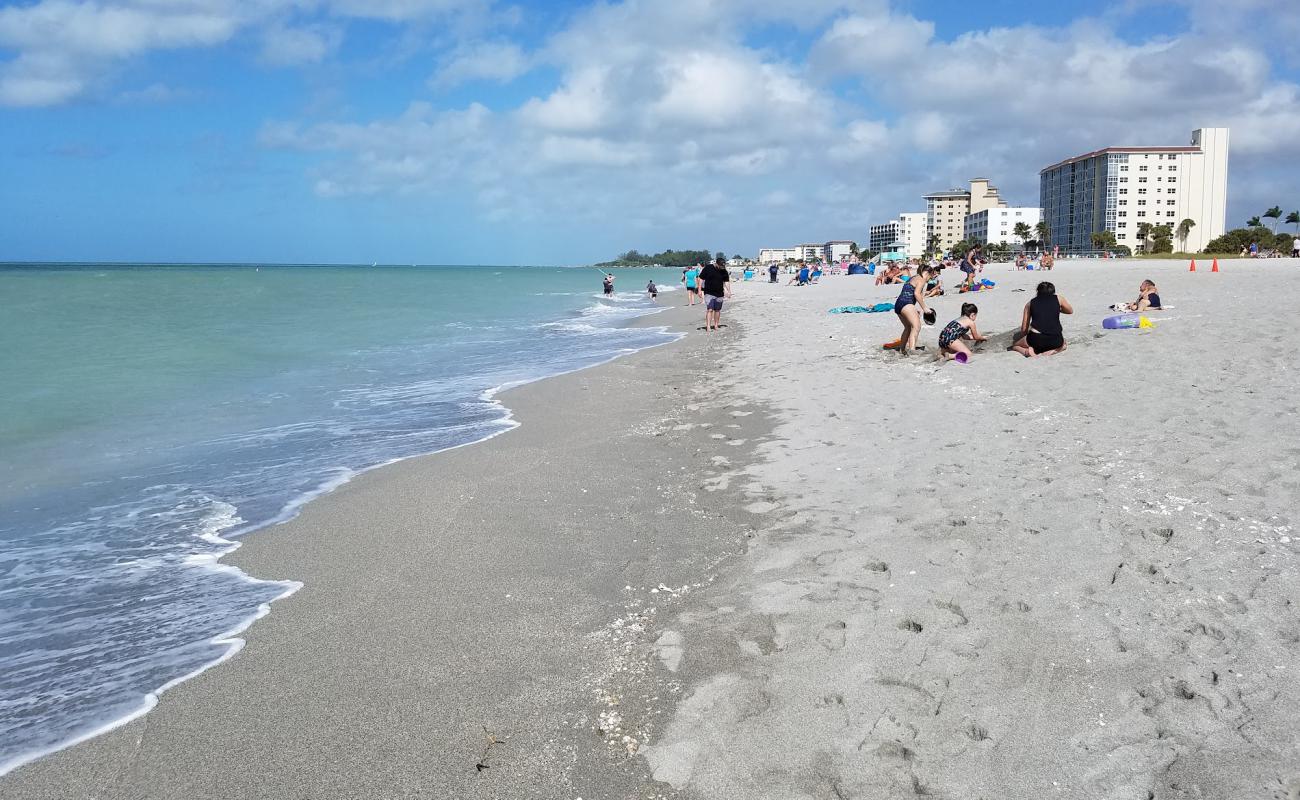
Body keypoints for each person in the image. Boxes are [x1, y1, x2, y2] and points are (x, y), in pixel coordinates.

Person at [1012, 281, 1074, 357]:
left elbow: (1024, 328)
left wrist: (1023, 338)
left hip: (1036, 339)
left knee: (1015, 346)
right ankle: (1051, 352)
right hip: (1055, 339)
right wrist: (1058, 309)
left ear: (1038, 291)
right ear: (1053, 291)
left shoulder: (1030, 303)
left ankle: (1028, 352)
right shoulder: (1059, 299)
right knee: (1063, 344)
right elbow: (1070, 311)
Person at [893, 264, 936, 356]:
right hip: (906, 303)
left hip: (899, 304)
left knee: (908, 328)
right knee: (916, 327)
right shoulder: (921, 279)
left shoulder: (913, 278)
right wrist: (925, 308)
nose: (930, 279)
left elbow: (908, 292)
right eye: (931, 277)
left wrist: (914, 309)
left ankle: (902, 349)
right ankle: (912, 350)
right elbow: (916, 294)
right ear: (927, 273)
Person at [699, 255, 732, 332]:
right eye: (720, 266)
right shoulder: (708, 268)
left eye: (723, 266)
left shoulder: (724, 270)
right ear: (716, 264)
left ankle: (716, 325)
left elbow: (726, 281)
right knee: (710, 309)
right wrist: (700, 290)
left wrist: (729, 291)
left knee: (717, 310)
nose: (722, 268)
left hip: (720, 293)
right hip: (709, 292)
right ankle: (708, 327)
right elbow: (701, 278)